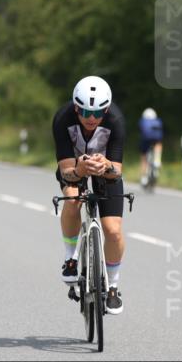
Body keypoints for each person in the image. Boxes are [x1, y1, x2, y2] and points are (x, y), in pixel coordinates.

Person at [52, 76, 128, 314]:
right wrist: (80, 169)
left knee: (113, 230)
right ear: (76, 107)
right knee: (73, 200)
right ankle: (71, 257)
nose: (91, 117)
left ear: (106, 109)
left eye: (97, 112)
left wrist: (106, 166)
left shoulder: (116, 120)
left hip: (105, 169)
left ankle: (113, 286)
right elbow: (66, 171)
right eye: (84, 111)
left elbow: (117, 172)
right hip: (75, 166)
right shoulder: (62, 119)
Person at [138, 107, 164, 187]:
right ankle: (157, 160)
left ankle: (144, 177)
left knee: (144, 158)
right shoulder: (157, 121)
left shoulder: (143, 121)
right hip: (156, 139)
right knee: (159, 143)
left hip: (145, 141)